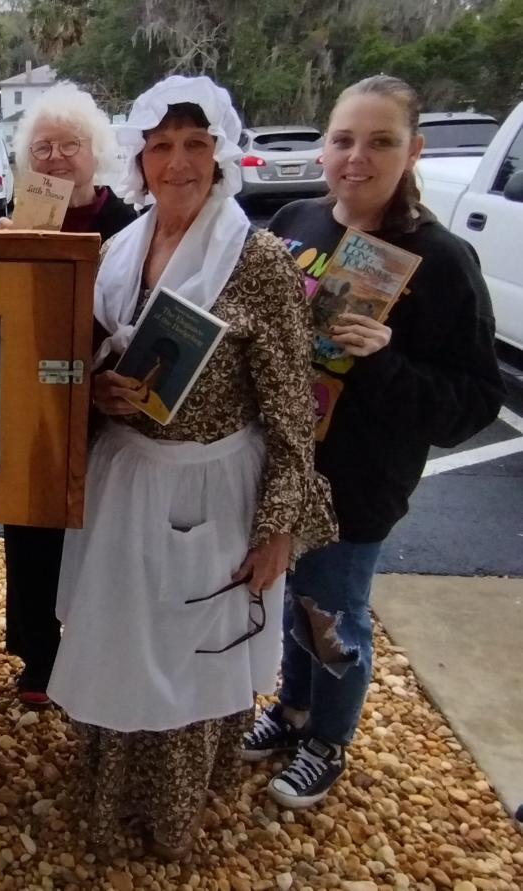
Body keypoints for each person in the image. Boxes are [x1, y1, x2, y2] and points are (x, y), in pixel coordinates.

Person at [46, 76, 336, 860]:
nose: (179, 163)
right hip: (125, 482)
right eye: (163, 146)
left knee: (185, 659)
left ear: (221, 154)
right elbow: (94, 357)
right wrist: (99, 390)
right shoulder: (119, 250)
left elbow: (289, 412)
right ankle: (111, 799)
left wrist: (278, 526)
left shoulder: (260, 260)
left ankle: (168, 818)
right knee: (119, 644)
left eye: (196, 145)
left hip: (212, 490)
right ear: (141, 158)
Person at [244, 75, 505, 809]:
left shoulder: (440, 261)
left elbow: (475, 401)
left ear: (414, 150)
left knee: (333, 611)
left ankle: (328, 737)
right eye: (344, 139)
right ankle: (292, 709)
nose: (358, 157)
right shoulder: (294, 221)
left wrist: (384, 358)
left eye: (381, 141)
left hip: (357, 480)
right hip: (278, 466)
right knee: (291, 596)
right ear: (323, 147)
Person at [0, 82, 136, 708]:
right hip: (33, 393)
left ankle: (93, 648)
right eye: (42, 146)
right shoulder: (17, 212)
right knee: (29, 526)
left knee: (98, 527)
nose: (55, 158)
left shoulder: (125, 222)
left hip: (105, 398)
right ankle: (36, 657)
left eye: (69, 145)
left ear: (96, 151)